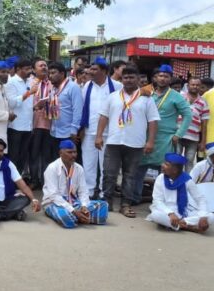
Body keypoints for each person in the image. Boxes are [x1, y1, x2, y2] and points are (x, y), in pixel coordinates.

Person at [96, 65, 159, 217]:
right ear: (122, 79)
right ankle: (107, 202)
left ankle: (125, 204)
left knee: (130, 175)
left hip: (136, 143)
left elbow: (153, 121)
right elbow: (103, 116)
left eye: (132, 77)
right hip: (114, 141)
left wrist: (150, 141)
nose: (128, 80)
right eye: (126, 77)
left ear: (138, 79)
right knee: (109, 173)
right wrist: (98, 136)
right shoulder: (113, 96)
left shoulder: (147, 99)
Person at [133, 64, 192, 202]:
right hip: (145, 136)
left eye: (166, 76)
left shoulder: (176, 96)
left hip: (166, 138)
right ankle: (135, 198)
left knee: (165, 170)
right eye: (160, 76)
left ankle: (162, 200)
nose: (163, 79)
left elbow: (188, 115)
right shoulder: (148, 93)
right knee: (139, 168)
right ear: (155, 78)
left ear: (170, 79)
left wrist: (178, 134)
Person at [79, 57, 122, 198]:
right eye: (90, 69)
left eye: (94, 69)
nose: (90, 71)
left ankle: (104, 193)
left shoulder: (116, 86)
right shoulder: (87, 86)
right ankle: (89, 192)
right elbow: (83, 107)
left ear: (104, 71)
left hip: (109, 132)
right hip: (89, 131)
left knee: (106, 165)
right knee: (88, 163)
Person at [42, 140, 109, 228]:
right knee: (64, 216)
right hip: (54, 203)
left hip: (73, 202)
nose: (73, 155)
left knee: (104, 205)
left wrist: (84, 206)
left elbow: (83, 191)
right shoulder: (52, 168)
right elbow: (53, 196)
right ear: (60, 153)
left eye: (75, 152)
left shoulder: (79, 168)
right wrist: (74, 211)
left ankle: (79, 217)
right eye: (69, 152)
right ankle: (80, 217)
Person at [146, 153, 214, 233]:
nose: (162, 165)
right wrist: (170, 213)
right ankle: (188, 227)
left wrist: (203, 216)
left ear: (174, 170)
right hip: (165, 211)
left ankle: (179, 224)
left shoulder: (187, 180)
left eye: (166, 164)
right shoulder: (160, 178)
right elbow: (157, 201)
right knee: (155, 215)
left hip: (184, 212)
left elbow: (200, 199)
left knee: (212, 217)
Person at [5, 58, 36, 177]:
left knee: (23, 157)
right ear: (18, 69)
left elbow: (28, 104)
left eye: (30, 68)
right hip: (15, 126)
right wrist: (29, 93)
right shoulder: (11, 82)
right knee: (13, 157)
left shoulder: (30, 82)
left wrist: (36, 106)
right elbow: (12, 103)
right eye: (27, 69)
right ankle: (10, 181)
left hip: (28, 125)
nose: (30, 71)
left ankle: (18, 181)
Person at [48, 62, 83, 161]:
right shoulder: (53, 88)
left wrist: (74, 130)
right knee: (56, 162)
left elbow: (78, 110)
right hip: (54, 132)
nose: (50, 76)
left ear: (62, 73)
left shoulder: (73, 87)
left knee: (69, 161)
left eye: (53, 73)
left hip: (68, 133)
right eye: (49, 73)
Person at [29, 58, 52, 188]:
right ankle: (34, 180)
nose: (44, 67)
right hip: (34, 124)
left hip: (49, 124)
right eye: (40, 65)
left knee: (46, 155)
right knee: (33, 154)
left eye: (45, 65)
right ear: (34, 69)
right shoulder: (30, 83)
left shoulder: (52, 83)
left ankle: (45, 182)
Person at [179, 77, 209, 172]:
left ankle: (188, 180)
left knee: (189, 161)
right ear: (188, 86)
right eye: (193, 84)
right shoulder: (180, 96)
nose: (195, 87)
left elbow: (204, 123)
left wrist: (203, 141)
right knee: (176, 160)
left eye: (197, 85)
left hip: (193, 137)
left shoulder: (203, 102)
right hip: (178, 135)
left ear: (200, 87)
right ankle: (176, 179)